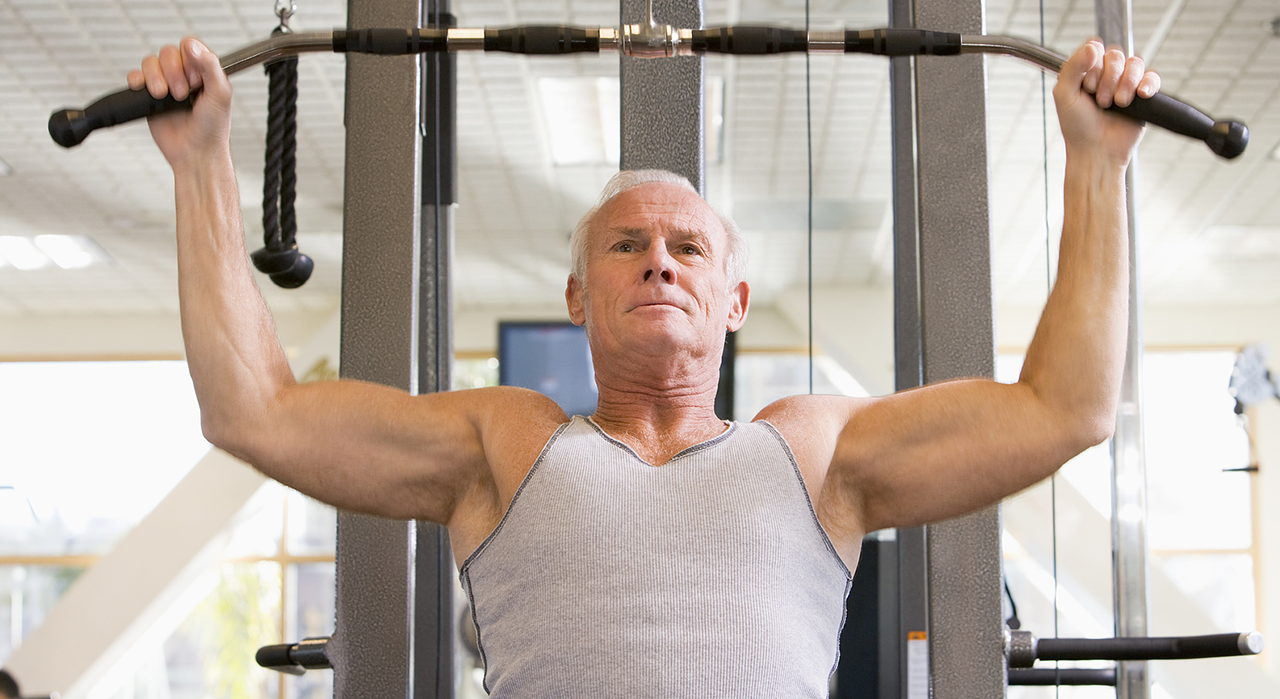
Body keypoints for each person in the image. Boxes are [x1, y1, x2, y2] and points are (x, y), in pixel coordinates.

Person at [129, 36, 1158, 696]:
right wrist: (200, 165)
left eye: (687, 248)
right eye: (625, 246)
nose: (658, 258)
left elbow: (1064, 409)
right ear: (578, 296)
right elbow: (252, 410)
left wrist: (1095, 163)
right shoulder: (504, 443)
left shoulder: (814, 449)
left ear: (732, 302)